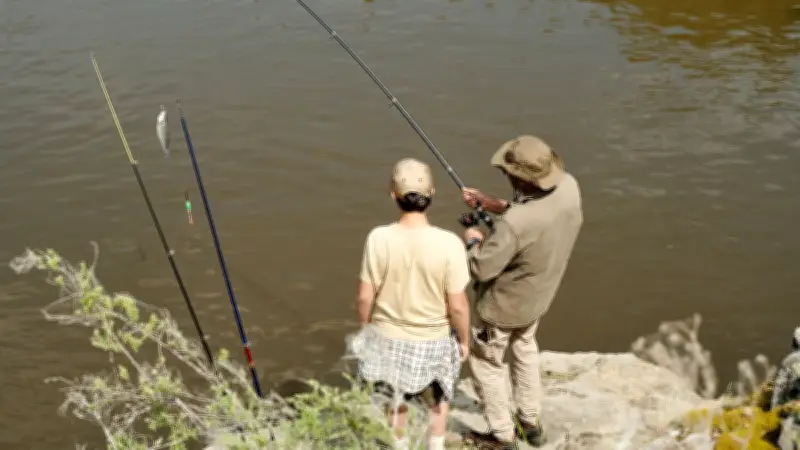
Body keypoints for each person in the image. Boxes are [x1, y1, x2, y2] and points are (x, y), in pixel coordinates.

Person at [460, 135, 584, 449]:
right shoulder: (569, 186)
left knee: (486, 363)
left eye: (509, 174)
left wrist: (474, 240)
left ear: (522, 179)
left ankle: (501, 436)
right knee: (525, 350)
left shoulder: (514, 224)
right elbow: (535, 214)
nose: (507, 177)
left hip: (499, 312)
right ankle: (530, 421)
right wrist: (493, 204)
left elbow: (481, 269)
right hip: (539, 297)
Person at [349, 157, 472, 450]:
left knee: (395, 401)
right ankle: (436, 446)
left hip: (388, 338)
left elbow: (365, 296)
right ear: (432, 195)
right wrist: (464, 340)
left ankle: (399, 445)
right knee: (438, 401)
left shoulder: (378, 237)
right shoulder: (450, 243)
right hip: (433, 339)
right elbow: (458, 306)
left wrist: (367, 329)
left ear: (393, 194)